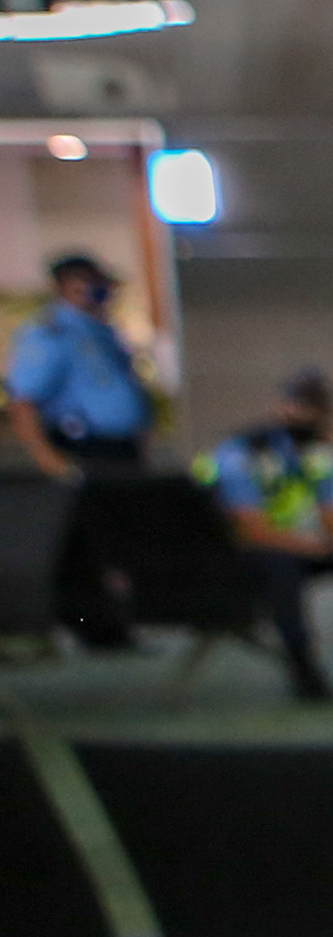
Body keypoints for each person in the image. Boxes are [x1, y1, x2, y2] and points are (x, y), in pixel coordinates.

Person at [197, 368, 333, 702]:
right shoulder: (243, 455)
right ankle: (304, 671)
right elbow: (249, 530)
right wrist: (313, 546)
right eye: (298, 405)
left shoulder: (317, 455)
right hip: (236, 553)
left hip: (293, 544)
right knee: (280, 570)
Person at [9, 252, 160, 646]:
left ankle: (115, 623)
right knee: (89, 542)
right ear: (67, 287)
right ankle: (91, 626)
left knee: (120, 537)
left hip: (120, 449)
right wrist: (45, 457)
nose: (101, 292)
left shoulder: (103, 330)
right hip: (84, 447)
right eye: (90, 284)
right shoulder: (51, 332)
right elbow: (24, 400)